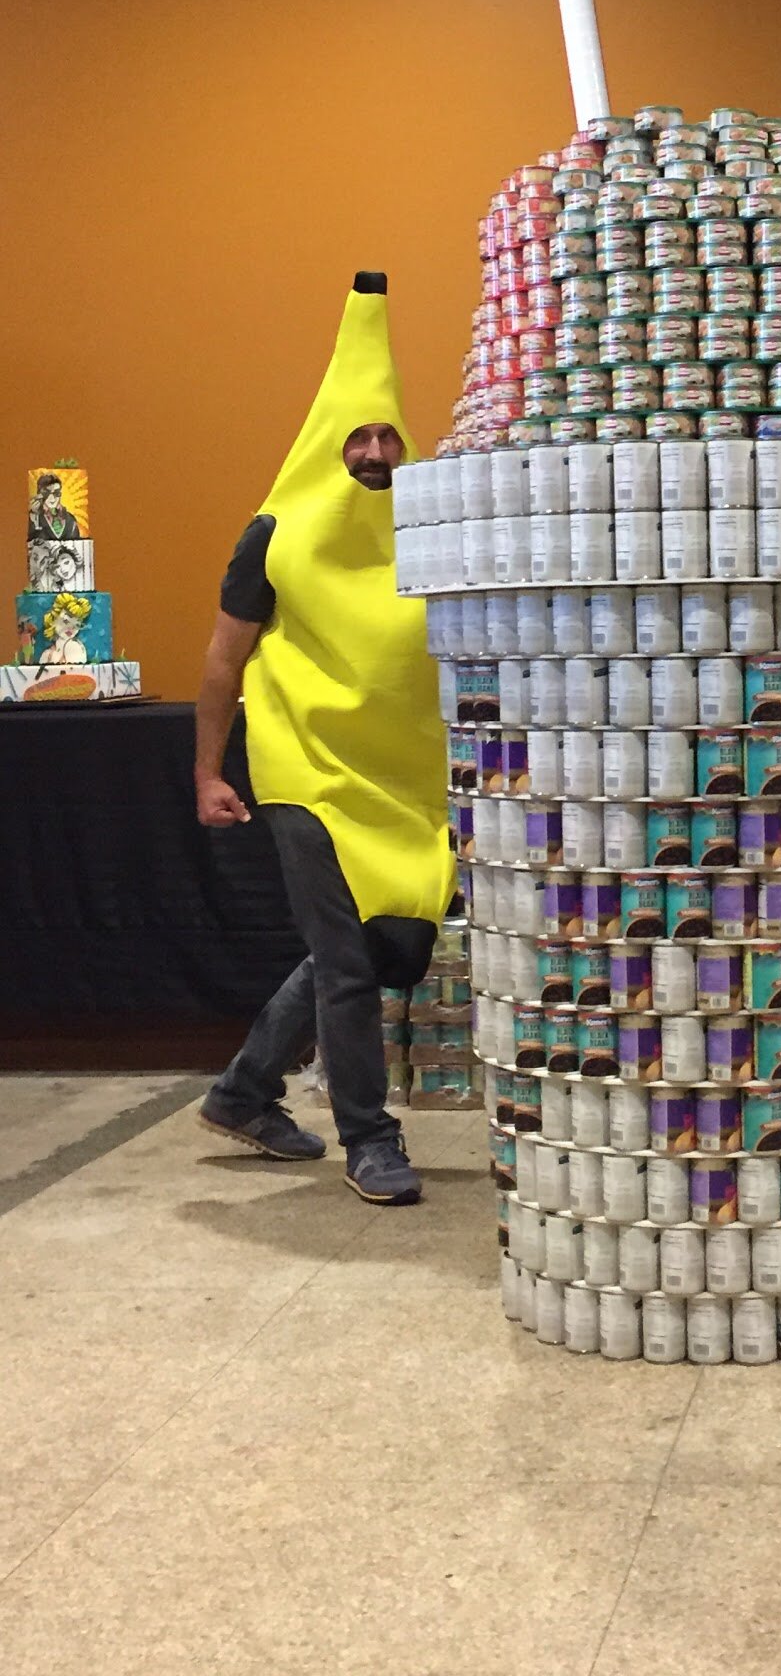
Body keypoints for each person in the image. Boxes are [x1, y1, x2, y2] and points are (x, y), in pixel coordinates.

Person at [195, 273, 454, 1206]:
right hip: (303, 764)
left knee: (387, 945)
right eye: (358, 436)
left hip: (401, 776)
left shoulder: (434, 526)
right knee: (347, 959)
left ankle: (242, 1091)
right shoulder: (273, 534)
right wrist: (209, 774)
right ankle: (371, 1141)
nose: (376, 452)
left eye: (388, 434)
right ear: (327, 441)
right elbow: (224, 665)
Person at [29, 473, 82, 543]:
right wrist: (34, 515)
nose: (52, 498)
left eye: (56, 493)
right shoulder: (33, 518)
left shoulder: (70, 519)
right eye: (47, 493)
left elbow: (77, 542)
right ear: (39, 495)